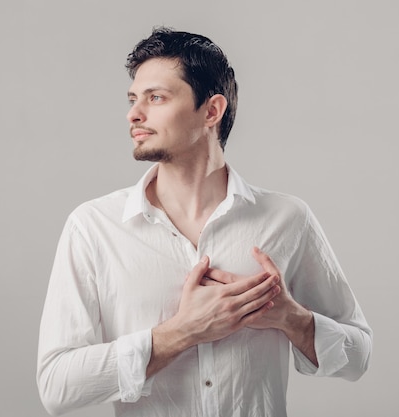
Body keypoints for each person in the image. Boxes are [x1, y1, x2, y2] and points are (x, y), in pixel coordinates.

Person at [36, 27, 372, 417]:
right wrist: (181, 333)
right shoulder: (94, 227)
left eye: (156, 97)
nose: (134, 114)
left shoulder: (287, 219)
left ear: (211, 111)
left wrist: (291, 318)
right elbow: (57, 387)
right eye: (133, 99)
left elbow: (359, 356)